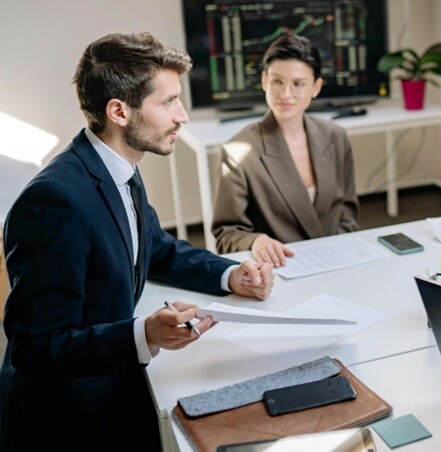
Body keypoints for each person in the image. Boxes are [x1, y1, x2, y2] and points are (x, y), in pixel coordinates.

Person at [0, 32, 275, 450]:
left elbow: (155, 249)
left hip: (119, 383)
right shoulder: (54, 201)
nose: (182, 116)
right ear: (119, 112)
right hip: (70, 421)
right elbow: (36, 349)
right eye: (168, 102)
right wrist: (144, 334)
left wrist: (230, 274)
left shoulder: (118, 165)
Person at [212, 31, 360, 265]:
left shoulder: (336, 136)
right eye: (277, 81)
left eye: (299, 84)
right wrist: (256, 241)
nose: (286, 94)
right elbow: (227, 233)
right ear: (264, 81)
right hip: (279, 268)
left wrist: (339, 255)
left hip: (336, 261)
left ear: (316, 87)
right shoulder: (238, 152)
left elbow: (348, 213)